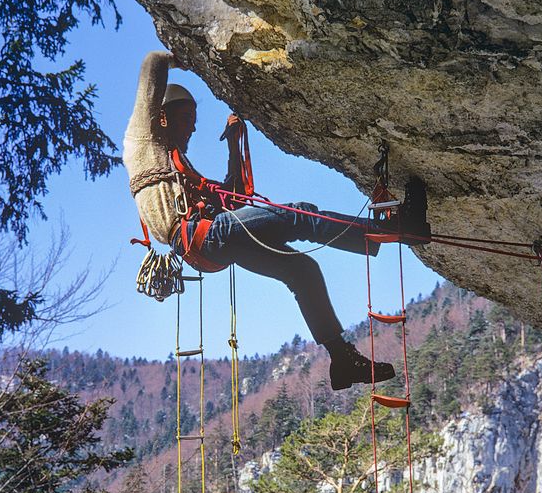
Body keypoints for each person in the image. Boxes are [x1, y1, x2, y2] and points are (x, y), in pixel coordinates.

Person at [124, 51, 429, 390]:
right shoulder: (143, 143)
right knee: (299, 214)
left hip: (209, 242)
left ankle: (342, 360)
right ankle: (393, 229)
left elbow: (234, 196)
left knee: (301, 270)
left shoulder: (177, 166)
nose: (192, 128)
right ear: (162, 117)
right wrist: (191, 56)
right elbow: (152, 62)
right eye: (186, 119)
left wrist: (234, 144)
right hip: (202, 236)